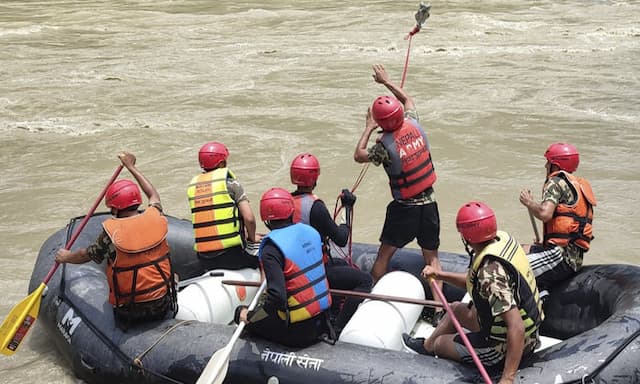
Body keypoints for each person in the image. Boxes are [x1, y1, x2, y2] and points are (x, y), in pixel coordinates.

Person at [403, 201, 544, 384]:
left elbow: (516, 326)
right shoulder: (502, 242)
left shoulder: (490, 274)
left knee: (441, 345)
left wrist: (507, 379)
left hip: (506, 346)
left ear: (467, 237)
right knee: (456, 309)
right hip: (524, 333)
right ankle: (426, 347)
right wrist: (439, 274)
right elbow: (472, 281)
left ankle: (435, 347)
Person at [353, 63, 444, 322]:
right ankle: (439, 312)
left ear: (381, 122)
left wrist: (369, 127)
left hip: (405, 209)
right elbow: (408, 99)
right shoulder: (414, 123)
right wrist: (386, 81)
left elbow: (358, 156)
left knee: (383, 256)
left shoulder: (384, 146)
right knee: (433, 260)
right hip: (429, 204)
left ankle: (371, 299)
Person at [55, 152, 177, 330]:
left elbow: (86, 255)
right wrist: (132, 167)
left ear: (115, 208)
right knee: (173, 276)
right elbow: (153, 194)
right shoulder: (156, 216)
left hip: (130, 313)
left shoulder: (111, 233)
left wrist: (66, 257)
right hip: (163, 306)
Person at [235, 187, 332, 347]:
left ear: (266, 218)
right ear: (291, 210)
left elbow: (277, 298)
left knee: (240, 312)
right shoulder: (312, 232)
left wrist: (250, 316)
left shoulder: (271, 248)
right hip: (323, 321)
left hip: (299, 332)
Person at [289, 152, 373, 333]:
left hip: (292, 268)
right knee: (365, 281)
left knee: (341, 264)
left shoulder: (286, 201)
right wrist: (348, 208)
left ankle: (331, 310)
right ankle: (338, 327)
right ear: (315, 178)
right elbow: (341, 239)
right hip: (314, 271)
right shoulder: (315, 207)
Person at [519, 142, 596, 291]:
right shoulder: (577, 185)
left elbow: (544, 214)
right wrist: (546, 241)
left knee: (509, 268)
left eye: (548, 162)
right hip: (572, 257)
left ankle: (536, 301)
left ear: (555, 165)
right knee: (519, 249)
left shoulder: (555, 182)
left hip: (561, 258)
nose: (545, 166)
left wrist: (529, 202)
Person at [187, 141, 262, 271]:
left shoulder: (193, 187)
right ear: (221, 163)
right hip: (231, 256)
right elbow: (249, 218)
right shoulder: (232, 184)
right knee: (264, 261)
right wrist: (251, 238)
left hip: (204, 258)